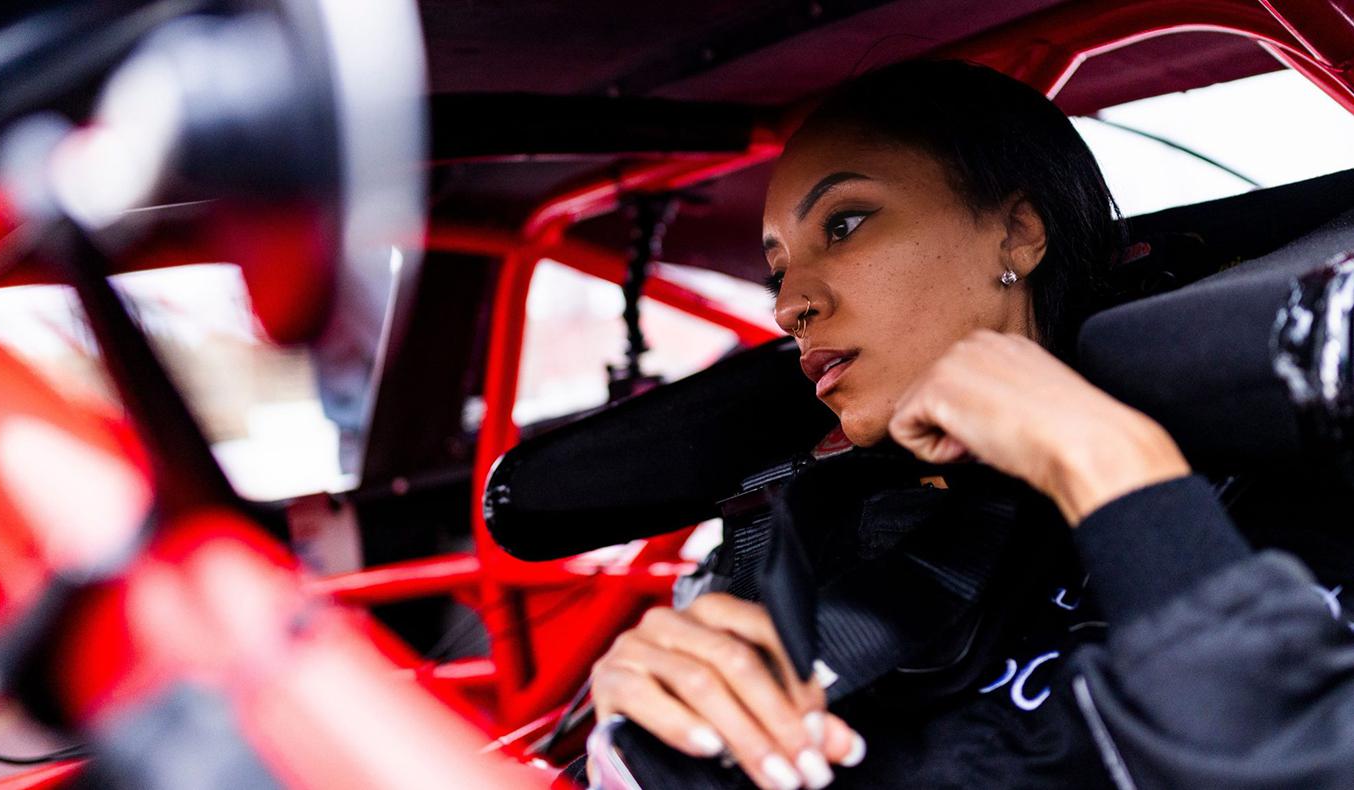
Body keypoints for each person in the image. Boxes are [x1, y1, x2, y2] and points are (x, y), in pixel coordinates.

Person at [580, 60, 1354, 789]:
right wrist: (642, 738)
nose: (789, 307)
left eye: (845, 225)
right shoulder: (809, 544)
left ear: (1017, 232)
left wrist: (1108, 467)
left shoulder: (1280, 484)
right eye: (778, 272)